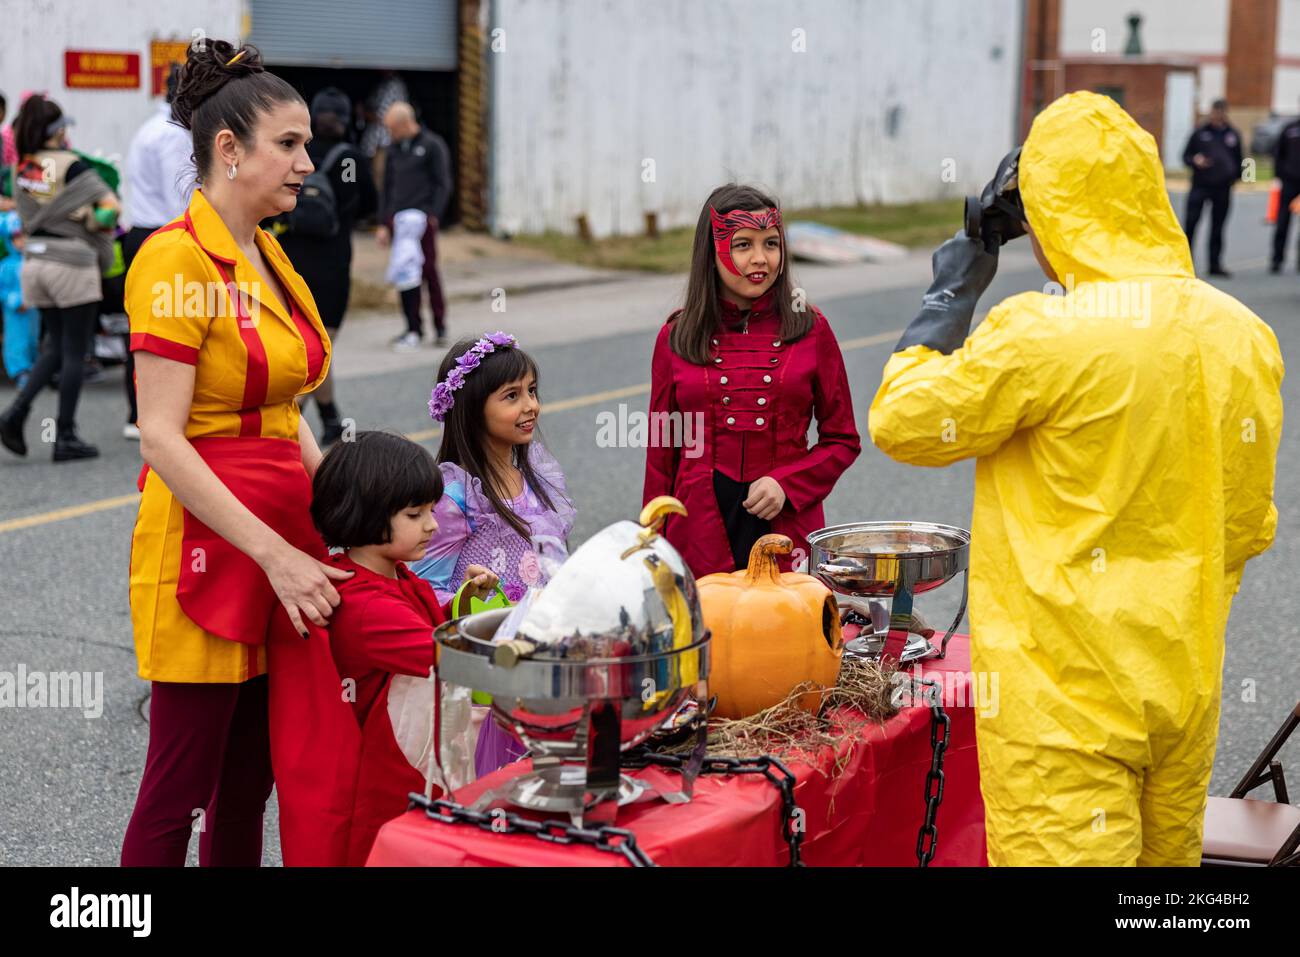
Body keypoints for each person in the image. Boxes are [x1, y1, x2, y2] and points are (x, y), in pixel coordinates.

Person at [869, 92, 1283, 866]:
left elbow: (904, 418)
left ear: (1054, 211)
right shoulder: (1242, 335)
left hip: (1061, 705)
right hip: (1181, 688)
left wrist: (956, 279)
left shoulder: (1043, 333)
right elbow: (1246, 525)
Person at [119, 39, 351, 867]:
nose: (307, 161)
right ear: (229, 150)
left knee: (252, 780)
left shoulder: (267, 249)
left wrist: (346, 512)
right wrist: (274, 554)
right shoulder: (173, 260)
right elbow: (160, 435)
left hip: (283, 546)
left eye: (304, 146)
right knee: (178, 789)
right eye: (288, 144)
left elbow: (285, 411)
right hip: (208, 551)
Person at [269, 429, 499, 866]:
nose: (432, 524)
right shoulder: (369, 608)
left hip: (388, 762)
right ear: (367, 514)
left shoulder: (383, 573)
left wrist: (466, 598)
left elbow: (426, 628)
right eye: (415, 514)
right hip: (377, 780)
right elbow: (447, 653)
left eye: (431, 510)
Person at [642, 183, 861, 578]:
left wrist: (788, 484)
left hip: (786, 527)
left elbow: (842, 440)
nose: (760, 259)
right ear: (712, 253)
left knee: (785, 634)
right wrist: (651, 542)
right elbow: (662, 449)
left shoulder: (812, 329)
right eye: (742, 244)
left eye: (771, 244)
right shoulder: (675, 336)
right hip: (697, 532)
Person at [411, 332, 575, 774]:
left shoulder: (538, 475)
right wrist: (464, 594)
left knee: (551, 771)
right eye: (511, 396)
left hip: (543, 655)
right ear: (471, 408)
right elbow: (422, 585)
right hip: (489, 672)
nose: (530, 407)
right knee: (498, 780)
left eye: (532, 391)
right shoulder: (454, 494)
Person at [0, 94, 119, 461]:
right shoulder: (73, 166)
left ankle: (14, 415)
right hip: (71, 264)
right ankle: (64, 435)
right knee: (74, 351)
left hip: (34, 264)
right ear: (56, 130)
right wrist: (87, 220)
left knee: (53, 345)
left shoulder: (24, 168)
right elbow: (110, 211)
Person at [274, 87, 376, 445]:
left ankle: (330, 418)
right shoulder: (350, 158)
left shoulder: (292, 153)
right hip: (331, 263)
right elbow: (368, 204)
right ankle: (282, 426)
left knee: (309, 344)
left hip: (288, 259)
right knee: (318, 346)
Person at [121, 63, 195, 440]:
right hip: (160, 232)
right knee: (166, 327)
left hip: (141, 230)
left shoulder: (150, 127)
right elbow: (178, 195)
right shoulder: (172, 133)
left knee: (142, 325)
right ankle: (149, 413)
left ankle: (138, 410)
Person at [376, 101, 452, 351]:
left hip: (422, 222)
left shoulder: (432, 145)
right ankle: (412, 328)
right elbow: (387, 188)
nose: (389, 134)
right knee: (405, 274)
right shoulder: (394, 151)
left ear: (403, 123)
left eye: (391, 129)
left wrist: (433, 215)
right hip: (399, 223)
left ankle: (440, 326)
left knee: (428, 270)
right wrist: (384, 222)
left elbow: (443, 183)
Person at [1182, 98, 1243, 278]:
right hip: (1200, 185)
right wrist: (1195, 160)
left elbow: (1243, 159)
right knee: (1191, 224)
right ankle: (1185, 263)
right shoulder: (1199, 133)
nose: (1218, 115)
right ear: (1211, 112)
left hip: (1222, 187)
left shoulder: (1232, 134)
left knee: (1218, 226)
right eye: (1216, 111)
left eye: (1222, 111)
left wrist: (1242, 177)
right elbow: (1186, 156)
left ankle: (1215, 264)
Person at [0, 212, 39, 388]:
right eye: (17, 237)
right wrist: (15, 301)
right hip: (15, 313)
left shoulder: (34, 262)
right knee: (16, 340)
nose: (21, 241)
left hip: (34, 310)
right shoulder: (6, 266)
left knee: (33, 339)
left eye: (25, 236)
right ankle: (19, 371)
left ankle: (33, 368)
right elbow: (2, 290)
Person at [1270, 100, 1300, 273]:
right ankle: (1277, 258)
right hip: (1289, 183)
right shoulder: (1289, 130)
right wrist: (1279, 177)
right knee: (1283, 222)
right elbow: (1278, 155)